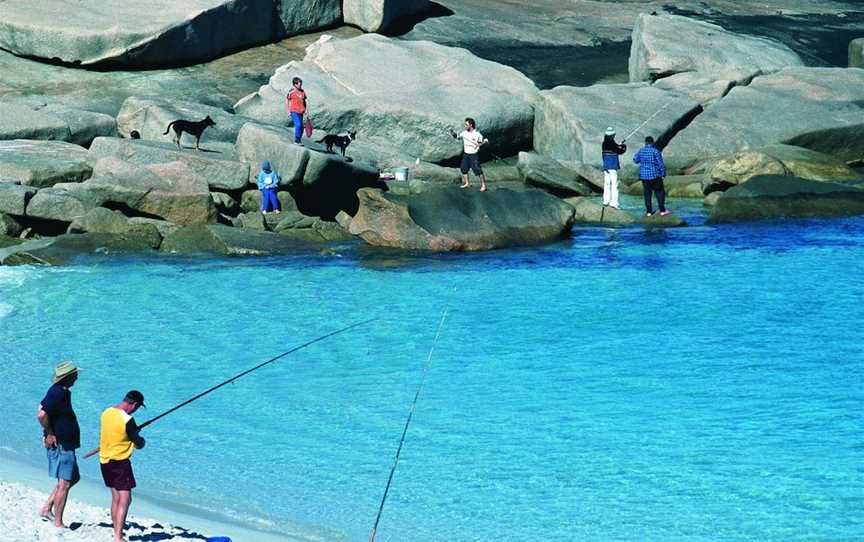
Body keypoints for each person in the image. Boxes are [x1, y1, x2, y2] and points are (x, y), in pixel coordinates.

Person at [37, 361, 82, 529]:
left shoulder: (62, 391)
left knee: (73, 478)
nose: (77, 376)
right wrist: (49, 433)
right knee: (64, 483)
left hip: (67, 442)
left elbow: (41, 406)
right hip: (62, 443)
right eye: (75, 374)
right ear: (68, 377)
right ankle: (58, 522)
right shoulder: (57, 392)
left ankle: (47, 508)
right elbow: (41, 414)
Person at [99, 390, 147, 542]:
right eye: (138, 407)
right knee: (125, 499)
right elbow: (139, 444)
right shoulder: (128, 420)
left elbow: (117, 432)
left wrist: (132, 432)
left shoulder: (106, 412)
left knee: (115, 498)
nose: (136, 410)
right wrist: (139, 437)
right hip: (120, 463)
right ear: (134, 404)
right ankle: (118, 537)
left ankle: (116, 531)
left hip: (104, 460)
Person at [633, 136, 670, 216]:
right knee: (659, 192)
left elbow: (635, 160)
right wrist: (663, 174)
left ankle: (649, 212)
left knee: (647, 194)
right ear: (652, 142)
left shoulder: (641, 151)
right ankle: (662, 210)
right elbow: (660, 164)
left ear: (645, 142)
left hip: (644, 177)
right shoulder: (655, 151)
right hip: (655, 176)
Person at [449, 117, 489, 192]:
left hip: (473, 155)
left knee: (478, 170)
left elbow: (481, 143)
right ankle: (467, 183)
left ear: (471, 125)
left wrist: (483, 143)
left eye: (466, 124)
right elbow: (457, 137)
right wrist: (453, 133)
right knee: (463, 168)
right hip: (466, 154)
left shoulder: (477, 134)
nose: (465, 126)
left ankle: (483, 185)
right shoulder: (464, 133)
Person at [601, 127, 627, 209]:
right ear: (612, 135)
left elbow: (615, 147)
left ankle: (605, 201)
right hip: (612, 167)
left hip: (606, 167)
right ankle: (614, 203)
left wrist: (619, 145)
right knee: (614, 185)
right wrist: (623, 146)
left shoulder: (604, 143)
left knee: (607, 184)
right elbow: (620, 151)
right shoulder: (612, 144)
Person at [286, 77, 307, 145]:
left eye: (301, 84)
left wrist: (306, 110)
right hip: (294, 111)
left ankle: (299, 139)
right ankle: (297, 141)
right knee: (298, 125)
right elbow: (287, 100)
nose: (300, 85)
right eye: (299, 84)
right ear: (295, 84)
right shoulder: (291, 92)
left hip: (301, 112)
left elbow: (304, 101)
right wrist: (288, 110)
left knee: (301, 127)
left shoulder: (302, 92)